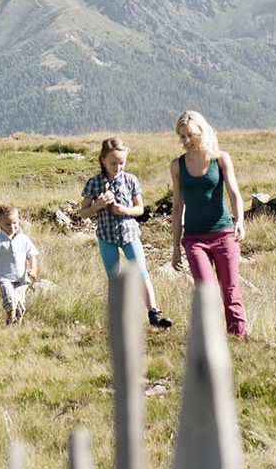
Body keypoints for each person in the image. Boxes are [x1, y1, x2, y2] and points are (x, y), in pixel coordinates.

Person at [75, 137, 174, 329]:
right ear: (103, 160)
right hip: (106, 237)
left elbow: (140, 209)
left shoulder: (131, 180)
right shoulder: (94, 183)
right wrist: (98, 205)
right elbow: (83, 212)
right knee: (114, 276)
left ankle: (154, 313)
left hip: (130, 234)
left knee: (141, 271)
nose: (118, 167)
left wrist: (125, 211)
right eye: (113, 163)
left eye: (122, 163)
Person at [168, 110, 248, 337]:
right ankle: (212, 340)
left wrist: (239, 220)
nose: (186, 141)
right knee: (206, 291)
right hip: (193, 239)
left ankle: (237, 338)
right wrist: (175, 247)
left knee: (231, 289)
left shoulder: (220, 159)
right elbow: (177, 207)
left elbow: (234, 193)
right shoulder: (177, 166)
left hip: (223, 233)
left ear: (202, 131)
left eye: (190, 135)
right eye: (182, 136)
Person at [0, 204, 41, 324]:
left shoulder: (23, 239)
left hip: (21, 279)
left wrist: (33, 270)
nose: (12, 226)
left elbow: (32, 255)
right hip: (4, 277)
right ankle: (10, 317)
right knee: (9, 298)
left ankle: (15, 324)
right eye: (7, 224)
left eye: (15, 223)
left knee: (20, 304)